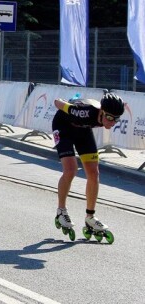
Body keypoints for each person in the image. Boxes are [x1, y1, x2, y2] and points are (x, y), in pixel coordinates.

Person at [52, 92, 124, 243]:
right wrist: (67, 101)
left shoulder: (103, 115)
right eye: (110, 118)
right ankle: (61, 211)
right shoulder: (86, 112)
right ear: (102, 112)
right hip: (63, 126)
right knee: (71, 169)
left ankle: (90, 217)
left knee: (93, 173)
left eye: (116, 119)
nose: (112, 122)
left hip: (82, 130)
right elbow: (57, 102)